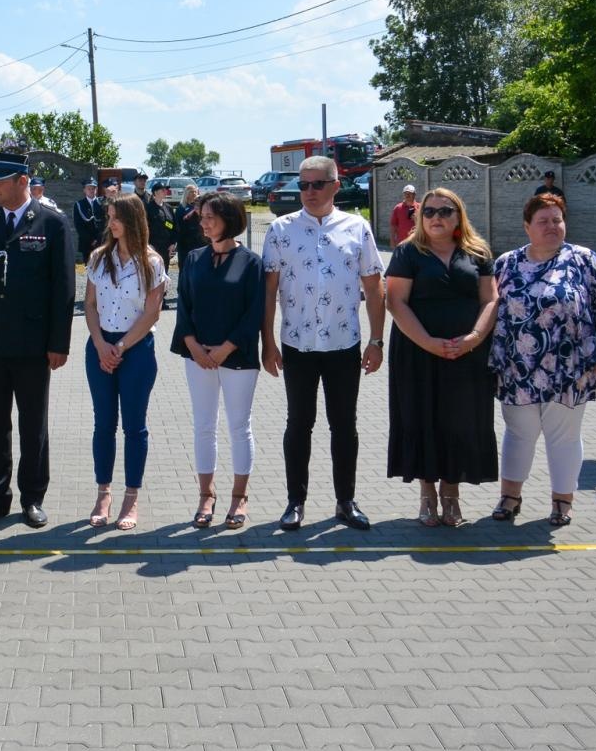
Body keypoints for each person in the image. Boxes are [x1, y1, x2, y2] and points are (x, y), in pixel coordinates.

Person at [261, 156, 385, 532]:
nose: (309, 192)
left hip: (343, 343)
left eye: (317, 184)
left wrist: (377, 340)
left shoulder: (357, 228)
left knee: (344, 425)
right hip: (297, 344)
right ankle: (294, 502)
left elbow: (374, 287)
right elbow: (268, 292)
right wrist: (267, 341)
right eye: (303, 185)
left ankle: (345, 501)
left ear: (336, 184)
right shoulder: (281, 229)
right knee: (299, 424)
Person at [0, 151, 77, 527]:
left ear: (22, 182)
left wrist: (59, 343)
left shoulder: (52, 223)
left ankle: (32, 497)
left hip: (32, 343)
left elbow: (64, 288)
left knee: (32, 424)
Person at [489, 193, 596, 526]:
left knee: (563, 437)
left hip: (569, 369)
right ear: (527, 227)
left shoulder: (584, 260)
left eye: (557, 220)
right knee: (519, 433)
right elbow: (488, 312)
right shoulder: (506, 263)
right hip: (517, 369)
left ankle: (562, 500)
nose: (552, 227)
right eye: (543, 221)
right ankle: (510, 496)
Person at [384, 188, 498, 527]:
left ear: (458, 216)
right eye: (430, 211)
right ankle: (427, 494)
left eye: (445, 211)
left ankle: (451, 495)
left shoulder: (477, 253)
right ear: (421, 216)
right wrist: (428, 342)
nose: (436, 217)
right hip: (417, 352)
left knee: (461, 420)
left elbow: (490, 300)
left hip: (467, 353)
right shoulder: (408, 252)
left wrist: (475, 337)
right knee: (422, 418)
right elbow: (395, 302)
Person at [172, 192, 262, 530]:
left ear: (230, 218)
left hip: (237, 357)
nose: (204, 222)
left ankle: (240, 498)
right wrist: (193, 345)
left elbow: (254, 311)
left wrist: (226, 348)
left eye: (211, 216)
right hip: (197, 357)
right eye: (201, 215)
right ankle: (206, 495)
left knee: (240, 427)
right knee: (203, 426)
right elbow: (183, 304)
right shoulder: (193, 259)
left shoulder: (251, 262)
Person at [83, 192, 166, 531]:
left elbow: (152, 312)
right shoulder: (98, 258)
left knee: (134, 426)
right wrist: (102, 345)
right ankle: (103, 493)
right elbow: (89, 305)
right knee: (103, 424)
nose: (111, 222)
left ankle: (131, 498)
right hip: (100, 346)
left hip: (136, 351)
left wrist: (120, 347)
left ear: (133, 220)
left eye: (116, 216)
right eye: (109, 216)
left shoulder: (152, 262)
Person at [144, 180, 176, 273]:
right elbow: (144, 227)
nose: (165, 191)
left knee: (164, 272)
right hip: (152, 247)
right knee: (152, 272)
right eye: (162, 190)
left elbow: (173, 226)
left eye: (166, 190)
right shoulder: (148, 208)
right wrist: (147, 244)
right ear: (155, 192)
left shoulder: (168, 208)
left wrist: (173, 244)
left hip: (166, 247)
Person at [71, 179, 103, 264]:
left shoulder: (102, 202)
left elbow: (105, 223)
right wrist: (91, 240)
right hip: (87, 243)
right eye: (89, 188)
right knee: (89, 268)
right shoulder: (79, 204)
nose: (91, 190)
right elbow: (79, 225)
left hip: (102, 241)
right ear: (84, 190)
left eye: (93, 188)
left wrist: (98, 239)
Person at [174, 184, 205, 264]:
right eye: (191, 192)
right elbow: (178, 225)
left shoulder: (201, 207)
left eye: (195, 191)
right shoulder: (181, 208)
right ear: (186, 194)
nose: (194, 193)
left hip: (199, 241)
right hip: (185, 242)